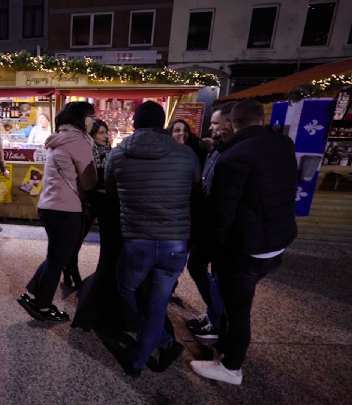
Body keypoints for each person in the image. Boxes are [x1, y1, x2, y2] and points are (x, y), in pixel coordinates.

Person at [191, 100, 297, 385]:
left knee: (239, 309)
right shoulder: (282, 144)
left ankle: (231, 366)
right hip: (278, 239)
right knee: (236, 303)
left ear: (232, 123)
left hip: (247, 247)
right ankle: (222, 337)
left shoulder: (235, 157)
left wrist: (213, 251)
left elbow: (222, 214)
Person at [106, 101, 199, 377]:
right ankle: (150, 349)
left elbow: (111, 191)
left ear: (134, 122)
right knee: (158, 303)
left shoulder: (119, 154)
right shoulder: (185, 154)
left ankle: (152, 343)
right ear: (163, 123)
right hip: (175, 241)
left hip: (137, 239)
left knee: (126, 288)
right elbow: (195, 187)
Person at [17, 102, 97, 322]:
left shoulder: (59, 138)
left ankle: (34, 294)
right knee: (59, 258)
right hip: (66, 207)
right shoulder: (78, 141)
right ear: (81, 119)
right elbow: (89, 181)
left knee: (55, 255)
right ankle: (42, 307)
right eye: (91, 117)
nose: (93, 121)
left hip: (49, 206)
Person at [185, 102, 237, 342]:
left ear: (230, 123)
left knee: (212, 273)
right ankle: (214, 315)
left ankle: (217, 322)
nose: (212, 127)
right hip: (207, 224)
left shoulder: (232, 153)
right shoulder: (216, 149)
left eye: (215, 123)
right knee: (197, 267)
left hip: (219, 228)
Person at [64, 119, 112, 290]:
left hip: (105, 200)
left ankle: (101, 276)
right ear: (92, 134)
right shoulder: (87, 151)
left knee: (108, 241)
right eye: (101, 132)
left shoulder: (108, 150)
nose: (105, 136)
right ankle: (71, 272)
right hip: (88, 200)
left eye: (106, 132)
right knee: (77, 239)